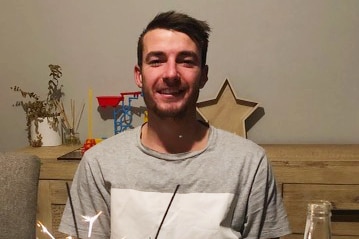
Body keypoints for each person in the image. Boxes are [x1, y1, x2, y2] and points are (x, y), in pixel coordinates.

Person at [59, 11, 291, 239]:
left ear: (203, 76)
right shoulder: (99, 164)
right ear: (139, 75)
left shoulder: (249, 164)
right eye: (157, 61)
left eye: (186, 61)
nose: (171, 73)